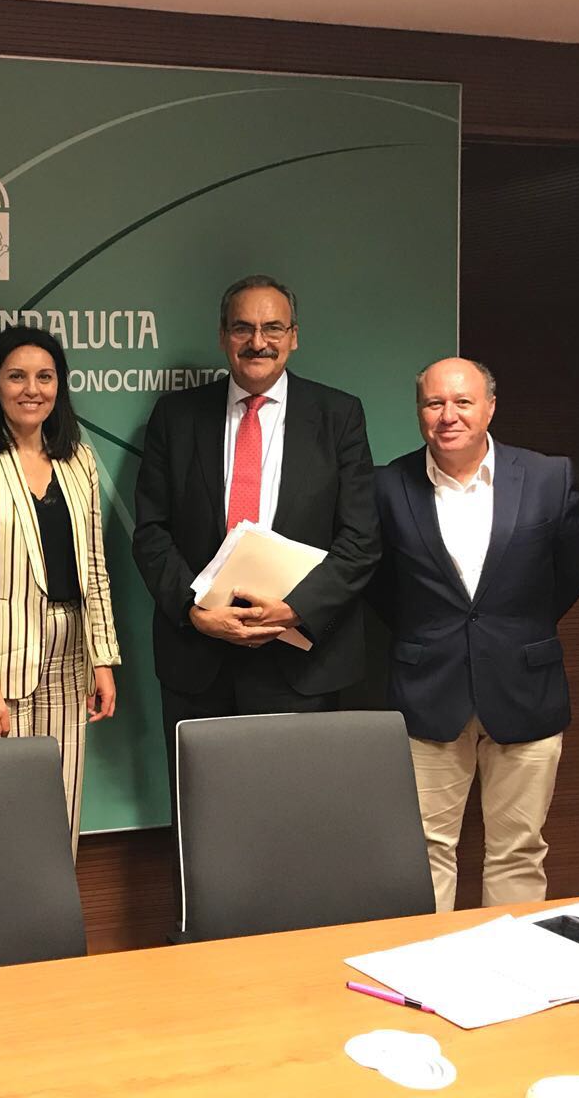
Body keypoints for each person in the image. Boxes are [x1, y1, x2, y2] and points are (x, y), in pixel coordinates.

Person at [132, 274, 380, 795]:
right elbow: (151, 532)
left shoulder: (339, 416)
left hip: (301, 664)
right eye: (242, 328)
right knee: (203, 816)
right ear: (223, 336)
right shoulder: (176, 417)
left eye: (273, 328)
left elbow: (360, 540)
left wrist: (295, 609)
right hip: (199, 660)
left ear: (294, 336)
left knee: (296, 813)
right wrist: (194, 611)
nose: (258, 342)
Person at [370, 357, 579, 911]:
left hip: (525, 686)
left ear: (490, 407)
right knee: (423, 851)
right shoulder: (387, 486)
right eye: (434, 403)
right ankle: (426, 961)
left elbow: (572, 573)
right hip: (428, 691)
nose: (448, 415)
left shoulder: (548, 477)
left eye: (463, 402)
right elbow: (378, 587)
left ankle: (509, 963)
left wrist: (512, 633)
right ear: (419, 412)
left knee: (519, 851)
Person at [0, 325, 121, 854]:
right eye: (16, 377)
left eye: (45, 377)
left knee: (58, 815)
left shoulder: (78, 460)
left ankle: (56, 911)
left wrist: (103, 658)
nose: (32, 389)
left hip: (69, 656)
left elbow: (94, 565)